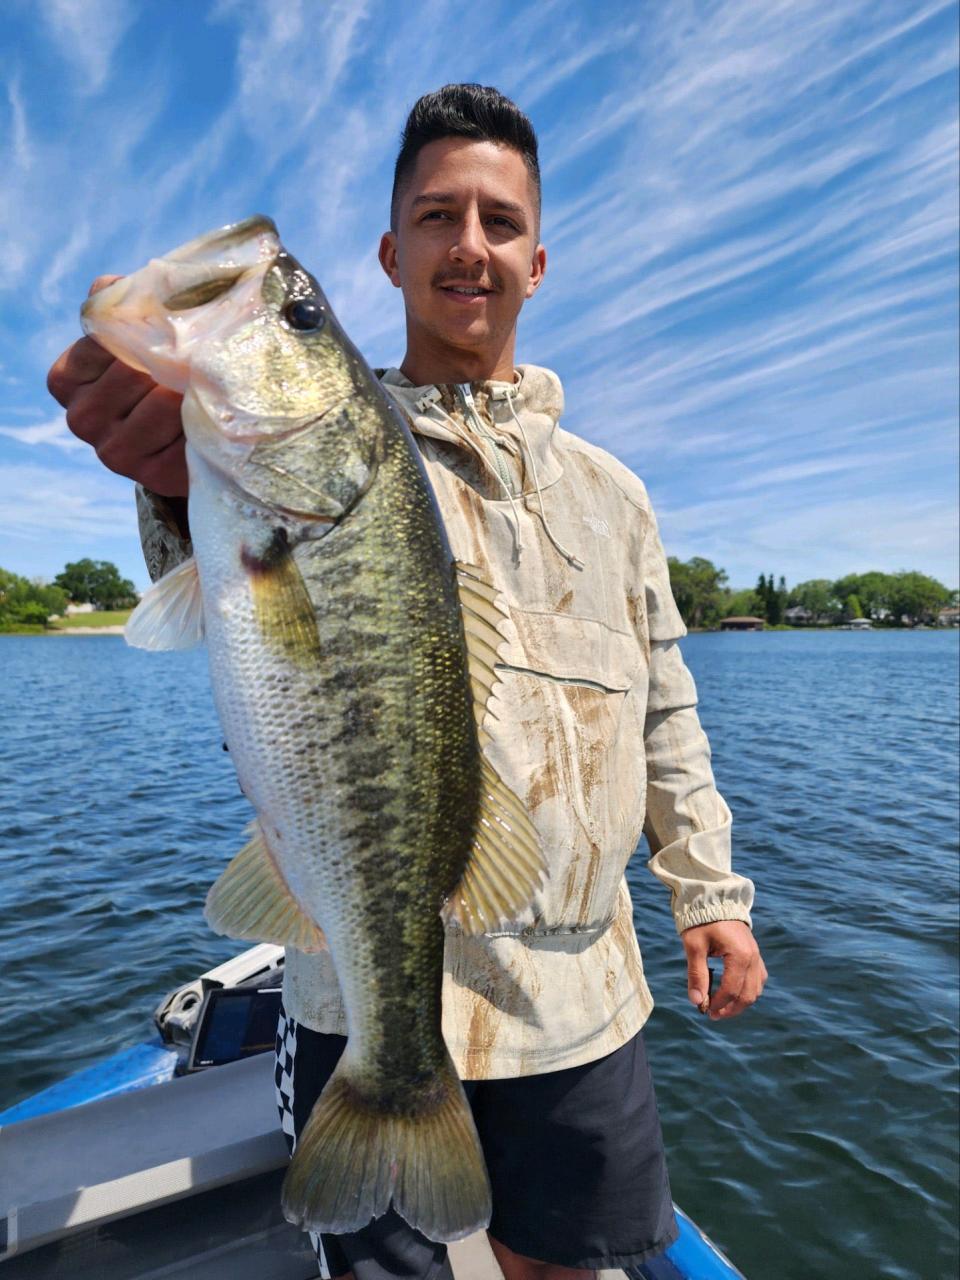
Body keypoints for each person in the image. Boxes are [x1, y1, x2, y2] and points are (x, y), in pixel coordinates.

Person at [48, 84, 767, 1280]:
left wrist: (709, 889)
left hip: (577, 991)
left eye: (498, 220)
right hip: (352, 984)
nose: (469, 244)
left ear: (538, 261)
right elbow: (216, 573)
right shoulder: (325, 437)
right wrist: (173, 483)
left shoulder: (617, 495)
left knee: (562, 1265)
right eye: (438, 215)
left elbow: (665, 707)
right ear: (391, 251)